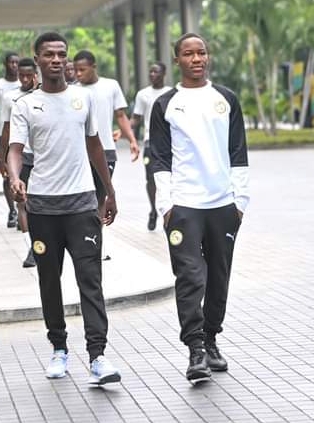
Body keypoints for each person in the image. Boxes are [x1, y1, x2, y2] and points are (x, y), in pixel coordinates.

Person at [7, 32, 121, 386]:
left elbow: (96, 147)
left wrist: (110, 191)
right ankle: (58, 349)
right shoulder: (26, 105)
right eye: (49, 55)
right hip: (43, 208)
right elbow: (14, 149)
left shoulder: (82, 99)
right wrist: (14, 177)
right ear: (37, 59)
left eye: (61, 54)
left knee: (91, 282)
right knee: (49, 281)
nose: (56, 60)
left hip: (83, 205)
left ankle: (98, 356)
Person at [149, 32, 249, 383]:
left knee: (219, 276)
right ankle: (195, 350)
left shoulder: (226, 99)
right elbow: (158, 159)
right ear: (177, 60)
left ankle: (211, 339)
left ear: (208, 57)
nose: (197, 59)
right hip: (185, 207)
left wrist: (240, 202)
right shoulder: (165, 103)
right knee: (191, 277)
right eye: (189, 54)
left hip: (223, 205)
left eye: (202, 52)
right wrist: (166, 206)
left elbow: (239, 152)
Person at [74, 50, 139, 259]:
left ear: (94, 66)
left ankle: (96, 246)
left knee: (100, 199)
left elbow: (120, 115)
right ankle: (86, 241)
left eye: (82, 69)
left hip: (107, 151)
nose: (78, 74)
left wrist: (132, 140)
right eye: (75, 70)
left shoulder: (110, 86)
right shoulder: (73, 91)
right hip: (81, 152)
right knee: (86, 199)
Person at [0, 57, 39, 268]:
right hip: (21, 156)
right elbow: (6, 129)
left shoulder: (44, 95)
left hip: (41, 157)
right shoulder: (10, 98)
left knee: (37, 203)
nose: (24, 79)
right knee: (22, 202)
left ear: (35, 75)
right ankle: (31, 247)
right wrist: (3, 158)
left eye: (28, 75)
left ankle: (41, 244)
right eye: (21, 75)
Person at [131, 62, 172, 231]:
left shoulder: (171, 93)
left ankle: (169, 212)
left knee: (171, 178)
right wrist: (125, 130)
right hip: (150, 142)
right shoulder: (143, 94)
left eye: (156, 71)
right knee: (151, 178)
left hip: (171, 143)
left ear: (164, 74)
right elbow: (136, 118)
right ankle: (154, 210)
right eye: (151, 72)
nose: (152, 74)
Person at [0, 53, 21, 228]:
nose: (14, 65)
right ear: (5, 64)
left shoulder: (26, 84)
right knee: (8, 176)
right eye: (11, 62)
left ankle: (23, 210)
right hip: (2, 136)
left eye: (17, 62)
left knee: (24, 174)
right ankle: (12, 211)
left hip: (22, 136)